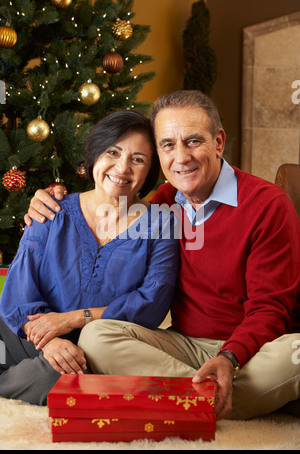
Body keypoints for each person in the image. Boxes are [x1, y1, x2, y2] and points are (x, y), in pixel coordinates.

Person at [24, 90, 300, 421]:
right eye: (168, 144)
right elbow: (108, 197)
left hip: (256, 349)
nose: (181, 157)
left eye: (194, 141)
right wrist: (52, 199)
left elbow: (271, 309)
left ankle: (181, 398)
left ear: (219, 142)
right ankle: (218, 400)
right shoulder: (166, 201)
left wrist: (229, 357)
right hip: (182, 345)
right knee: (97, 335)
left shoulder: (266, 204)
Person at [0, 110, 179, 405]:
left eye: (138, 159)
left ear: (150, 171)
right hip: (27, 332)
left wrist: (72, 320)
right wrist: (50, 339)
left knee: (65, 377)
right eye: (113, 152)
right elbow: (20, 291)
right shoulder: (51, 208)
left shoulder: (160, 224)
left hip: (96, 347)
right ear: (95, 154)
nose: (122, 168)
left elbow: (151, 304)